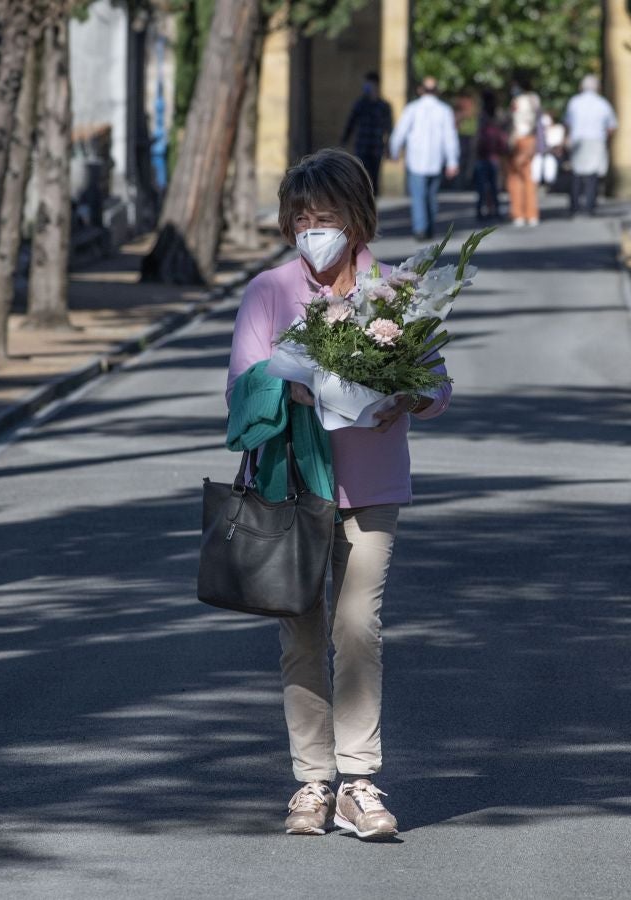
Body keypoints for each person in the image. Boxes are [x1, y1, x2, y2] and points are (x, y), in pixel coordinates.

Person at [226, 148, 451, 839]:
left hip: (373, 483)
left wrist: (408, 395)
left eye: (323, 216)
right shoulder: (269, 291)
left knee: (358, 627)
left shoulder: (394, 288)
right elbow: (239, 390)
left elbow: (438, 382)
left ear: (357, 219)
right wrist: (293, 387)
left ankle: (359, 780)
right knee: (302, 630)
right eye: (300, 217)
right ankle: (311, 785)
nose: (311, 228)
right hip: (295, 485)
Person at [389, 76, 460, 241]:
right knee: (431, 196)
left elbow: (400, 132)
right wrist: (452, 161)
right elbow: (450, 138)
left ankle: (420, 228)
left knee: (418, 196)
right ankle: (429, 227)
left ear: (421, 90)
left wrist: (394, 152)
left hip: (416, 160)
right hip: (436, 160)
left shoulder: (412, 109)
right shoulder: (444, 110)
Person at [564, 74, 616, 217]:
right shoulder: (602, 103)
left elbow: (568, 123)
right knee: (592, 175)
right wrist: (607, 140)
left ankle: (574, 206)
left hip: (578, 139)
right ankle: (589, 206)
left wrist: (567, 138)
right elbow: (611, 126)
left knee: (576, 174)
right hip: (596, 140)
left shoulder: (574, 102)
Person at [341, 71, 393, 196]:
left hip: (376, 147)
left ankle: (372, 207)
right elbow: (351, 122)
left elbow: (389, 128)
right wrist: (344, 140)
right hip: (362, 147)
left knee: (374, 181)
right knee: (361, 178)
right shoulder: (360, 104)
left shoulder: (383, 106)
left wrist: (388, 147)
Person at [505, 75, 541, 227]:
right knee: (529, 179)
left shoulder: (517, 102)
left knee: (515, 179)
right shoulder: (535, 99)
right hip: (531, 139)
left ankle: (518, 214)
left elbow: (512, 121)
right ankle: (532, 214)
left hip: (518, 140)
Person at [473, 90, 508, 221]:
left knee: (481, 186)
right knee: (494, 186)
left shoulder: (482, 115)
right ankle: (495, 210)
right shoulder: (498, 115)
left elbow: (478, 136)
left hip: (483, 155)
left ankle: (480, 210)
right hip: (494, 155)